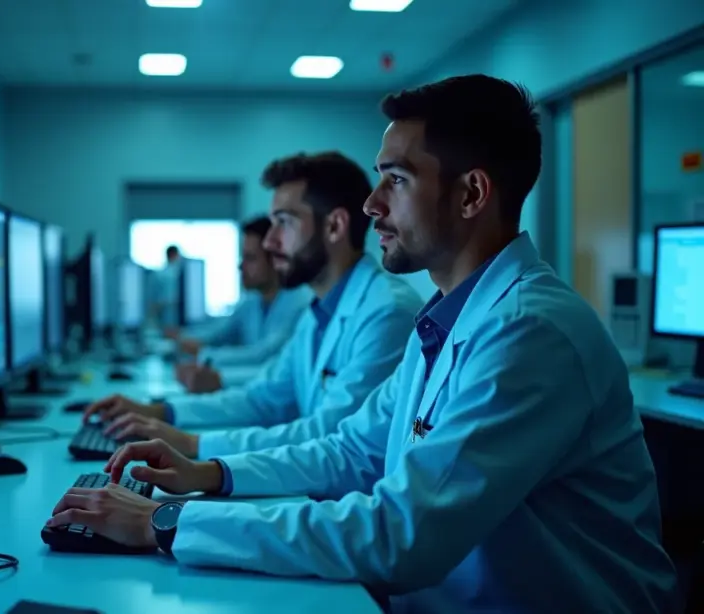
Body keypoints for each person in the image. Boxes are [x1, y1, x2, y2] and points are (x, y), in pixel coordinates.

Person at [49, 75, 677, 612]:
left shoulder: (528, 332)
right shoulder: (450, 319)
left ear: (471, 194)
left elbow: (401, 534)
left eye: (395, 180)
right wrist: (209, 472)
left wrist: (168, 521)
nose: (371, 205)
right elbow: (352, 451)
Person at [83, 151, 422, 459]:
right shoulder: (319, 312)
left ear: (334, 226)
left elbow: (330, 433)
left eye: (284, 222)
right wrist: (159, 414)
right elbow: (263, 398)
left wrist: (192, 446)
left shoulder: (386, 312)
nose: (271, 241)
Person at [170, 216, 312, 393]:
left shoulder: (299, 302)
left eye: (250, 258)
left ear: (275, 260)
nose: (240, 266)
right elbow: (219, 333)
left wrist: (206, 358)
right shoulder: (252, 301)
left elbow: (264, 355)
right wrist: (184, 338)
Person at [150, 245, 183, 328]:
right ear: (174, 255)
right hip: (168, 312)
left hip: (169, 313)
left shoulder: (161, 274)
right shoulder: (168, 274)